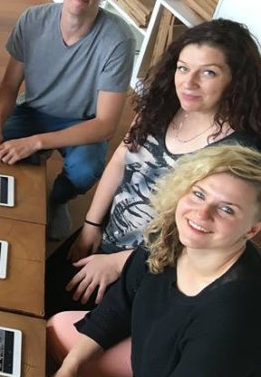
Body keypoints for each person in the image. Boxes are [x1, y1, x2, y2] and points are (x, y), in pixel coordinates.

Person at [45, 19, 261, 316]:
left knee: (62, 325)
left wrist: (119, 263)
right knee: (35, 293)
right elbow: (121, 160)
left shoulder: (237, 153)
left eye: (208, 72)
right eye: (183, 68)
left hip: (156, 267)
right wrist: (91, 225)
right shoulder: (161, 107)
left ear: (236, 80)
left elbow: (205, 237)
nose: (188, 82)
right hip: (109, 235)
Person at [48, 144, 261, 377]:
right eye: (199, 194)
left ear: (252, 229)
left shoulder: (234, 316)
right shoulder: (168, 234)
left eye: (227, 209)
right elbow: (119, 305)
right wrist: (70, 367)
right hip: (152, 351)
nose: (201, 213)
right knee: (55, 330)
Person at [0, 0, 134, 240]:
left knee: (85, 171)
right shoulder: (32, 20)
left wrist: (35, 142)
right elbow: (9, 86)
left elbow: (105, 125)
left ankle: (57, 199)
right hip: (33, 109)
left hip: (84, 121)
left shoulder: (119, 39)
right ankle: (28, 183)